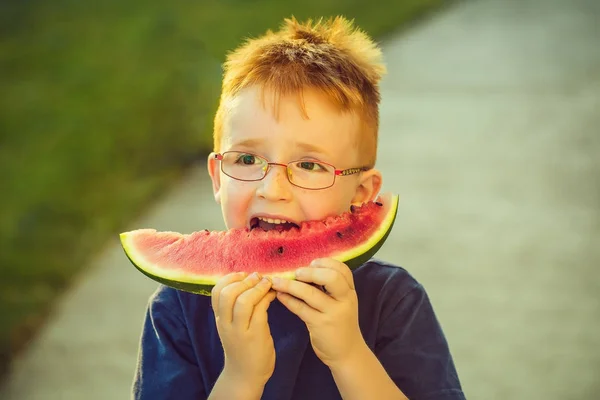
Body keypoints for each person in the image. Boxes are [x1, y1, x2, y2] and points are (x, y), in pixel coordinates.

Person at [132, 16, 465, 400]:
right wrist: (241, 377)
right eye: (246, 160)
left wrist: (349, 355)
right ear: (216, 177)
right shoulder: (177, 310)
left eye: (309, 166)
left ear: (362, 193)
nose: (272, 189)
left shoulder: (392, 300)